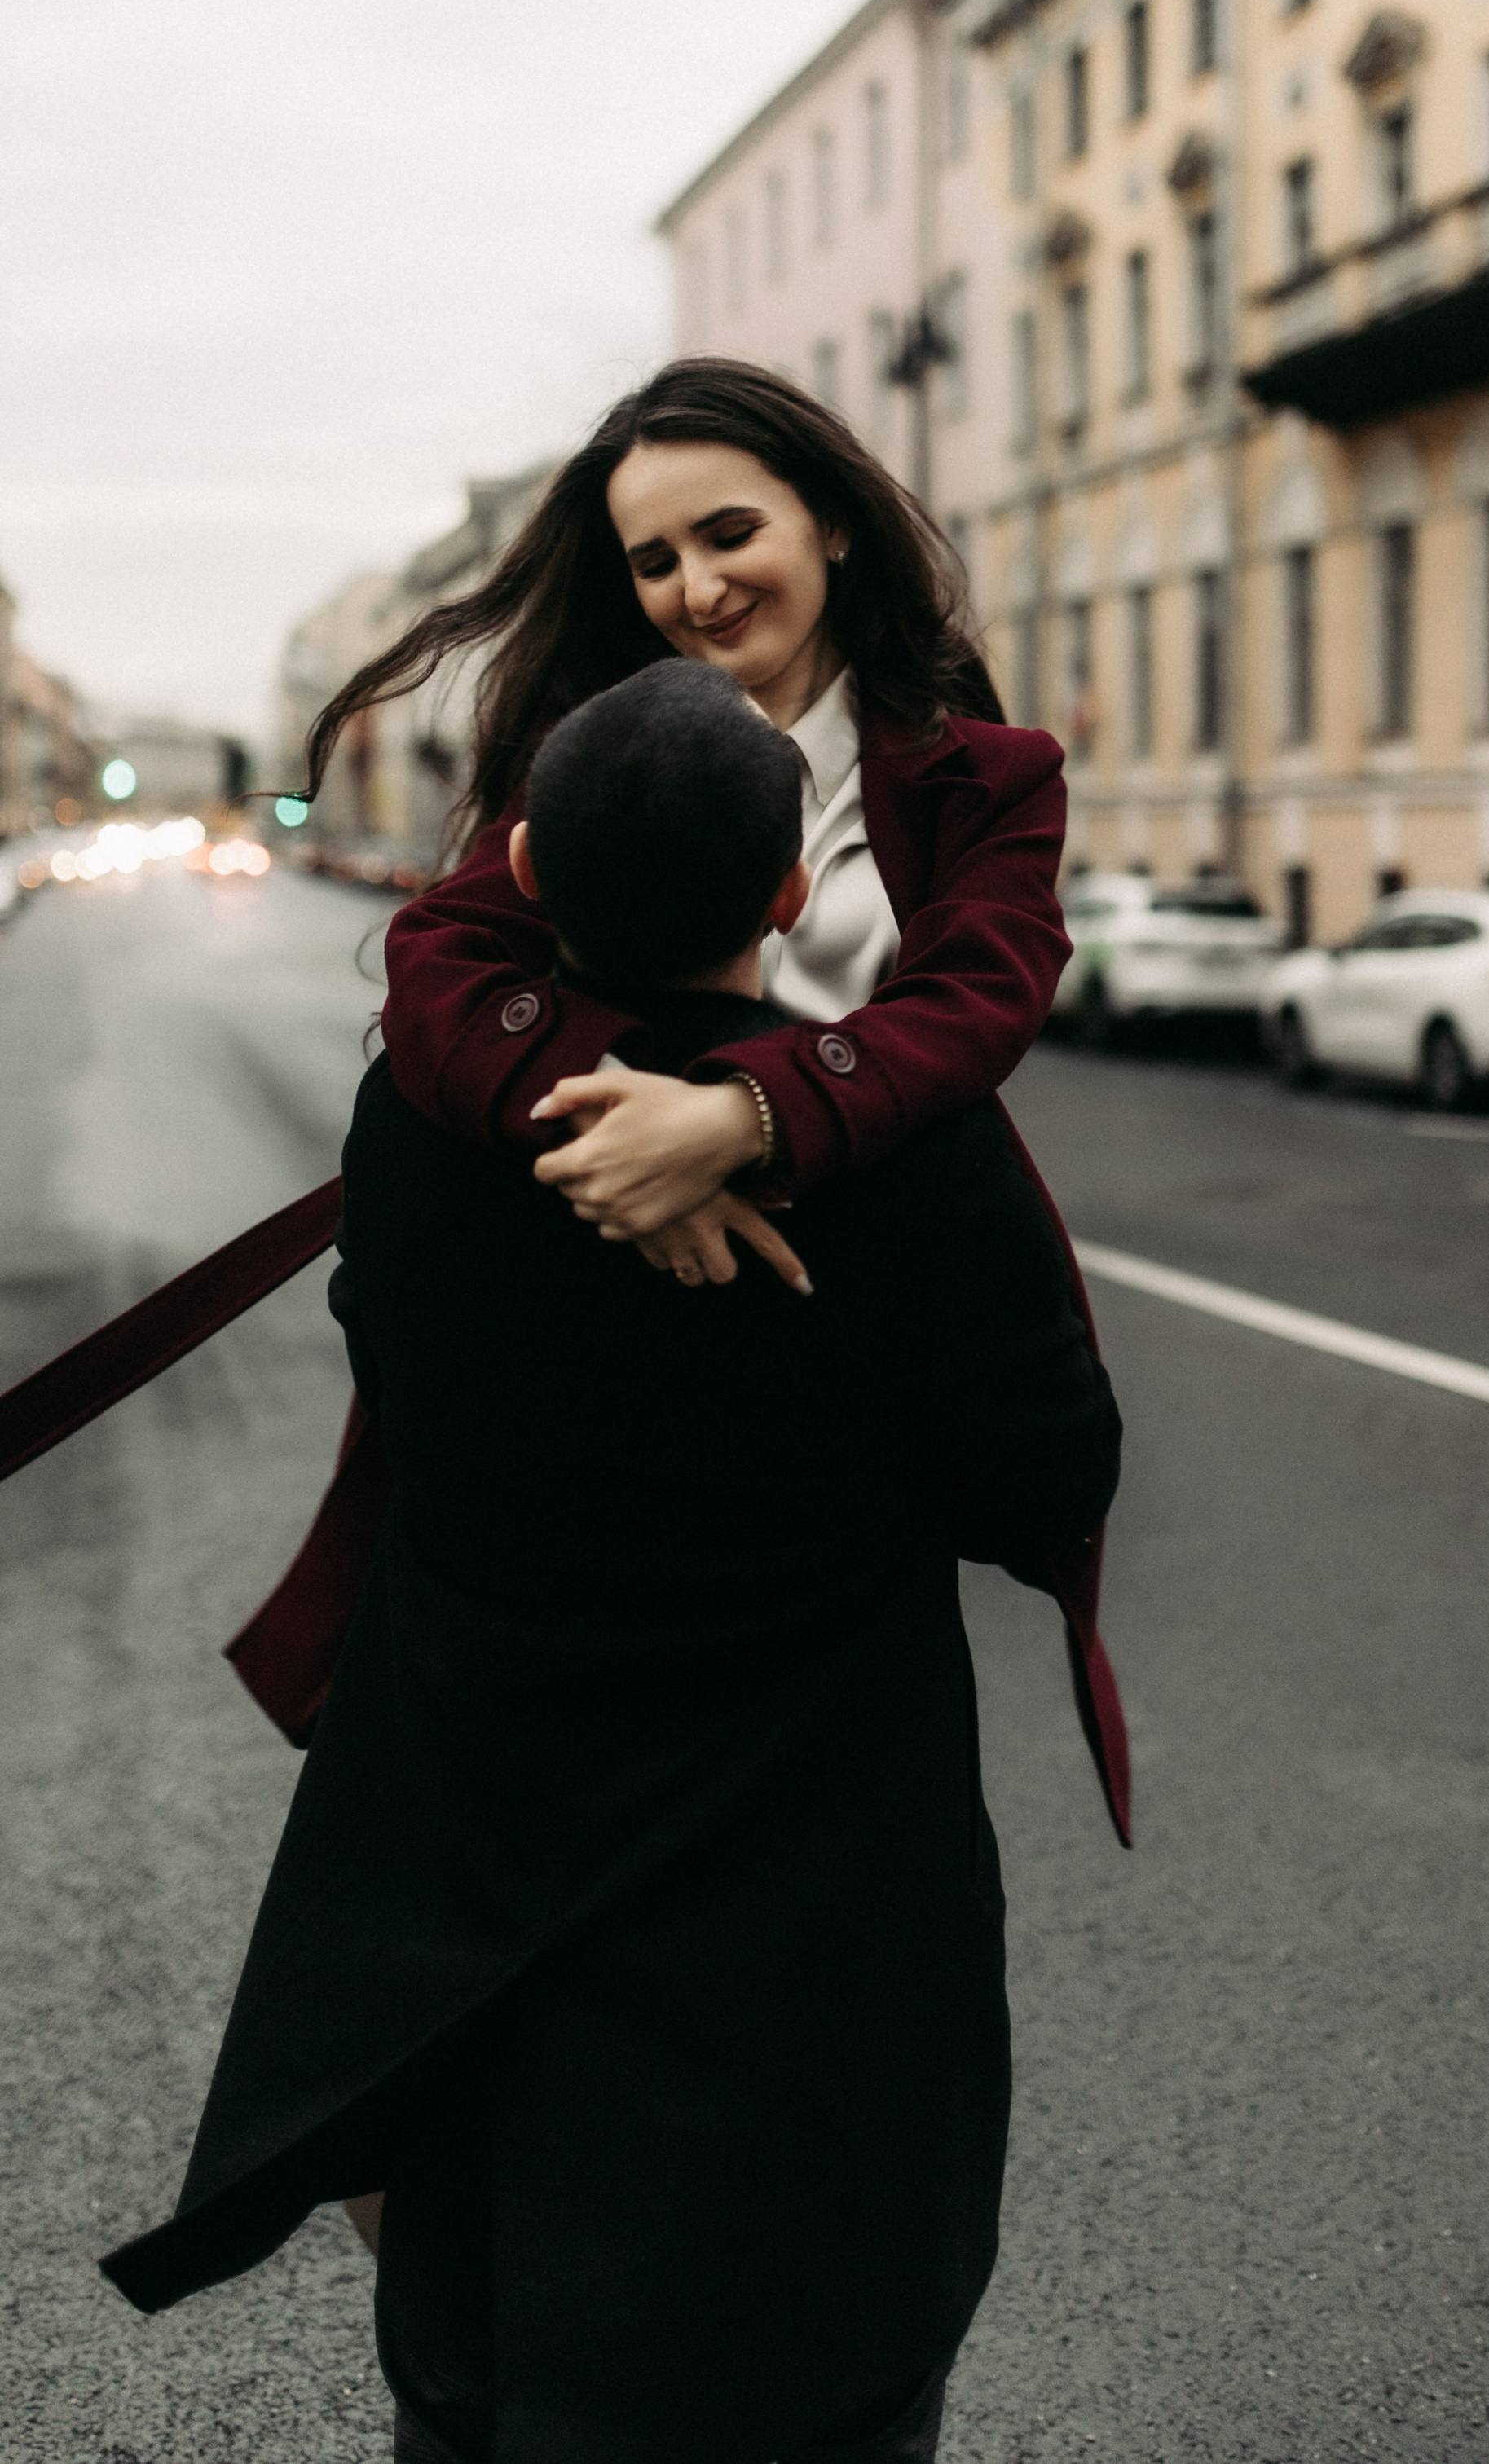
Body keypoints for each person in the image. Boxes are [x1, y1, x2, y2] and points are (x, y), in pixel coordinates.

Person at [104, 657, 1124, 2464]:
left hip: (485, 1873)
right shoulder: (905, 1158)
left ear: (524, 871)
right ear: (793, 894)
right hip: (812, 1903)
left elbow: (402, 1357)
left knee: (485, 2389)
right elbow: (1046, 1472)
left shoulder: (434, 1121)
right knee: (821, 2383)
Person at [232, 358, 1127, 1836]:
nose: (693, 588)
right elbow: (439, 960)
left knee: (807, 1756)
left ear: (831, 524)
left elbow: (981, 998)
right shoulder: (601, 752)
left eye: (728, 535)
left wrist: (741, 1115)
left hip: (835, 1305)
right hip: (600, 1287)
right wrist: (628, 1133)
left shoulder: (983, 778)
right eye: (652, 559)